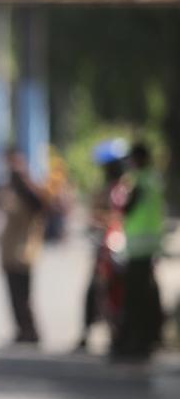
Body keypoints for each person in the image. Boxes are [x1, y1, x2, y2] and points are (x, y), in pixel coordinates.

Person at [111, 142, 165, 359]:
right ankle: (148, 338)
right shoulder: (154, 179)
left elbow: (127, 208)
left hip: (138, 249)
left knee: (134, 298)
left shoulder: (140, 181)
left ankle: (135, 342)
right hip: (151, 246)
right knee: (148, 295)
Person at [76, 140, 128, 351]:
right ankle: (90, 332)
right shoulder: (108, 189)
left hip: (119, 249)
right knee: (95, 292)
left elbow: (118, 218)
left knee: (113, 292)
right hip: (105, 249)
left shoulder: (123, 189)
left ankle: (117, 334)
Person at [0, 147, 48, 344]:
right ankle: (22, 329)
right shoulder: (10, 191)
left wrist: (24, 181)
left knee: (23, 295)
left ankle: (31, 331)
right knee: (14, 295)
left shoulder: (30, 193)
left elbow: (41, 205)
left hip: (24, 252)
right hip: (10, 252)